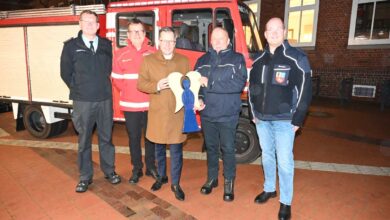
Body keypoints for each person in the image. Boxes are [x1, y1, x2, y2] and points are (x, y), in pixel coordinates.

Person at [248, 17, 312, 220]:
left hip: (285, 120)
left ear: (284, 32)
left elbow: (305, 90)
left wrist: (298, 119)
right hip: (262, 120)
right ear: (265, 35)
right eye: (270, 30)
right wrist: (253, 114)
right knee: (267, 156)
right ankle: (269, 188)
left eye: (278, 29)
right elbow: (252, 90)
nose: (274, 33)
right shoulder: (258, 60)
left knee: (284, 162)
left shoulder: (296, 58)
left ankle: (286, 201)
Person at [60, 10, 121, 193]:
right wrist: (79, 89)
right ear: (80, 24)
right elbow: (65, 72)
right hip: (83, 101)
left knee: (106, 138)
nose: (89, 25)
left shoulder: (105, 45)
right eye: (86, 21)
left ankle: (109, 171)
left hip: (104, 99)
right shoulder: (71, 46)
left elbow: (110, 69)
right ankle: (85, 177)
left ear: (98, 25)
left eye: (93, 22)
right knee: (84, 140)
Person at [194, 27, 247, 202]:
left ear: (228, 41)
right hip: (207, 114)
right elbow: (197, 85)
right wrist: (199, 98)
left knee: (228, 149)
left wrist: (210, 84)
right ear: (210, 40)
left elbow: (237, 85)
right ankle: (212, 179)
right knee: (211, 149)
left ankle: (229, 182)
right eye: (214, 38)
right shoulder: (202, 60)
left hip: (228, 114)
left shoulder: (237, 59)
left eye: (221, 38)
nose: (217, 41)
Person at [137, 27, 190, 201]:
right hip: (158, 113)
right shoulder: (149, 61)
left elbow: (188, 83)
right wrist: (156, 86)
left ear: (175, 42)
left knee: (176, 151)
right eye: (164, 40)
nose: (167, 44)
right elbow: (141, 84)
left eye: (171, 41)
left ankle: (176, 184)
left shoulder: (183, 61)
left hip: (176, 113)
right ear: (159, 41)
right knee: (158, 148)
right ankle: (161, 176)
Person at [111, 18, 158, 184]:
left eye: (140, 31)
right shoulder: (120, 54)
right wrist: (129, 91)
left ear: (145, 34)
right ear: (128, 35)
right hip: (130, 106)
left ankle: (151, 167)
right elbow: (116, 79)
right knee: (133, 138)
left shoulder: (154, 53)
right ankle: (137, 168)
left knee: (151, 137)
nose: (137, 34)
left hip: (151, 105)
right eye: (133, 31)